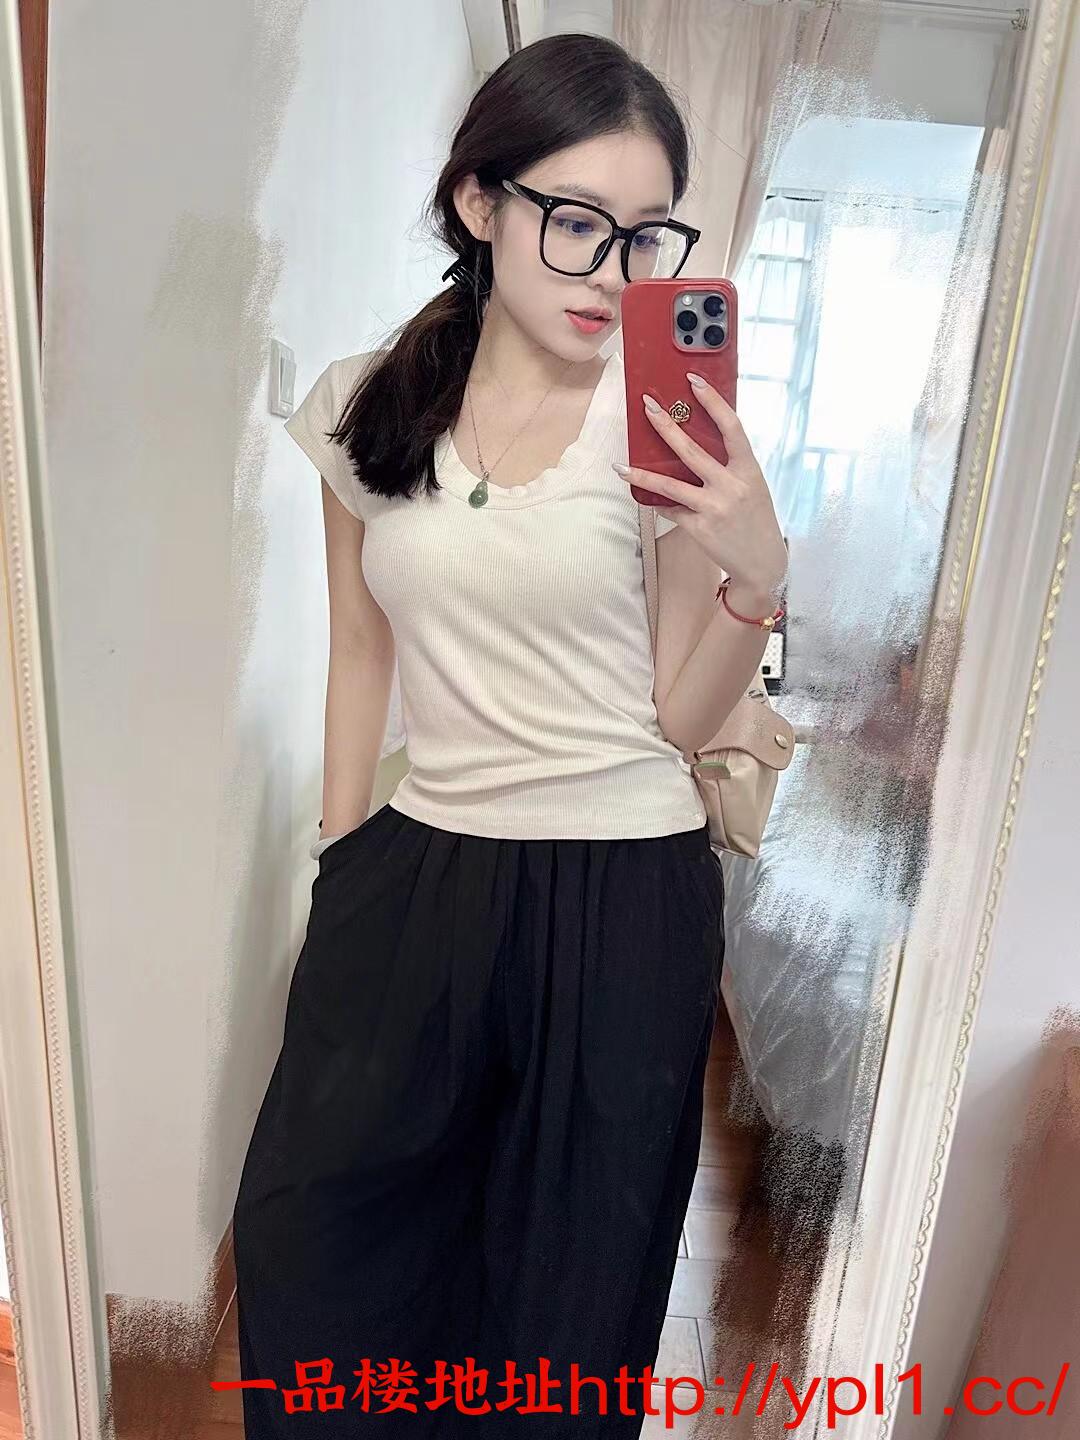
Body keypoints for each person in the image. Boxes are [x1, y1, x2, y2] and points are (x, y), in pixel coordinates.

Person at [231, 32, 787, 1439]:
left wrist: (756, 577)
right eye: (578, 221)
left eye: (646, 233)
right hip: (420, 873)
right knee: (319, 1233)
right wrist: (343, 853)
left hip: (624, 894)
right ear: (480, 202)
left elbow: (675, 719)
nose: (615, 271)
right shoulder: (368, 402)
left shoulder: (664, 425)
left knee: (566, 1292)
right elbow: (362, 649)